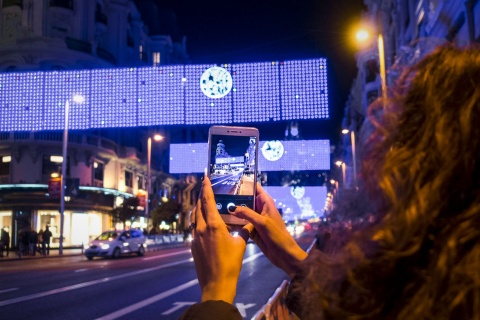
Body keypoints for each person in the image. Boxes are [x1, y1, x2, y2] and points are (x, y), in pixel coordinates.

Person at [180, 45, 480, 320]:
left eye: (401, 135)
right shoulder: (450, 266)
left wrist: (216, 292)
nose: (384, 150)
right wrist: (294, 260)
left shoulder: (452, 284)